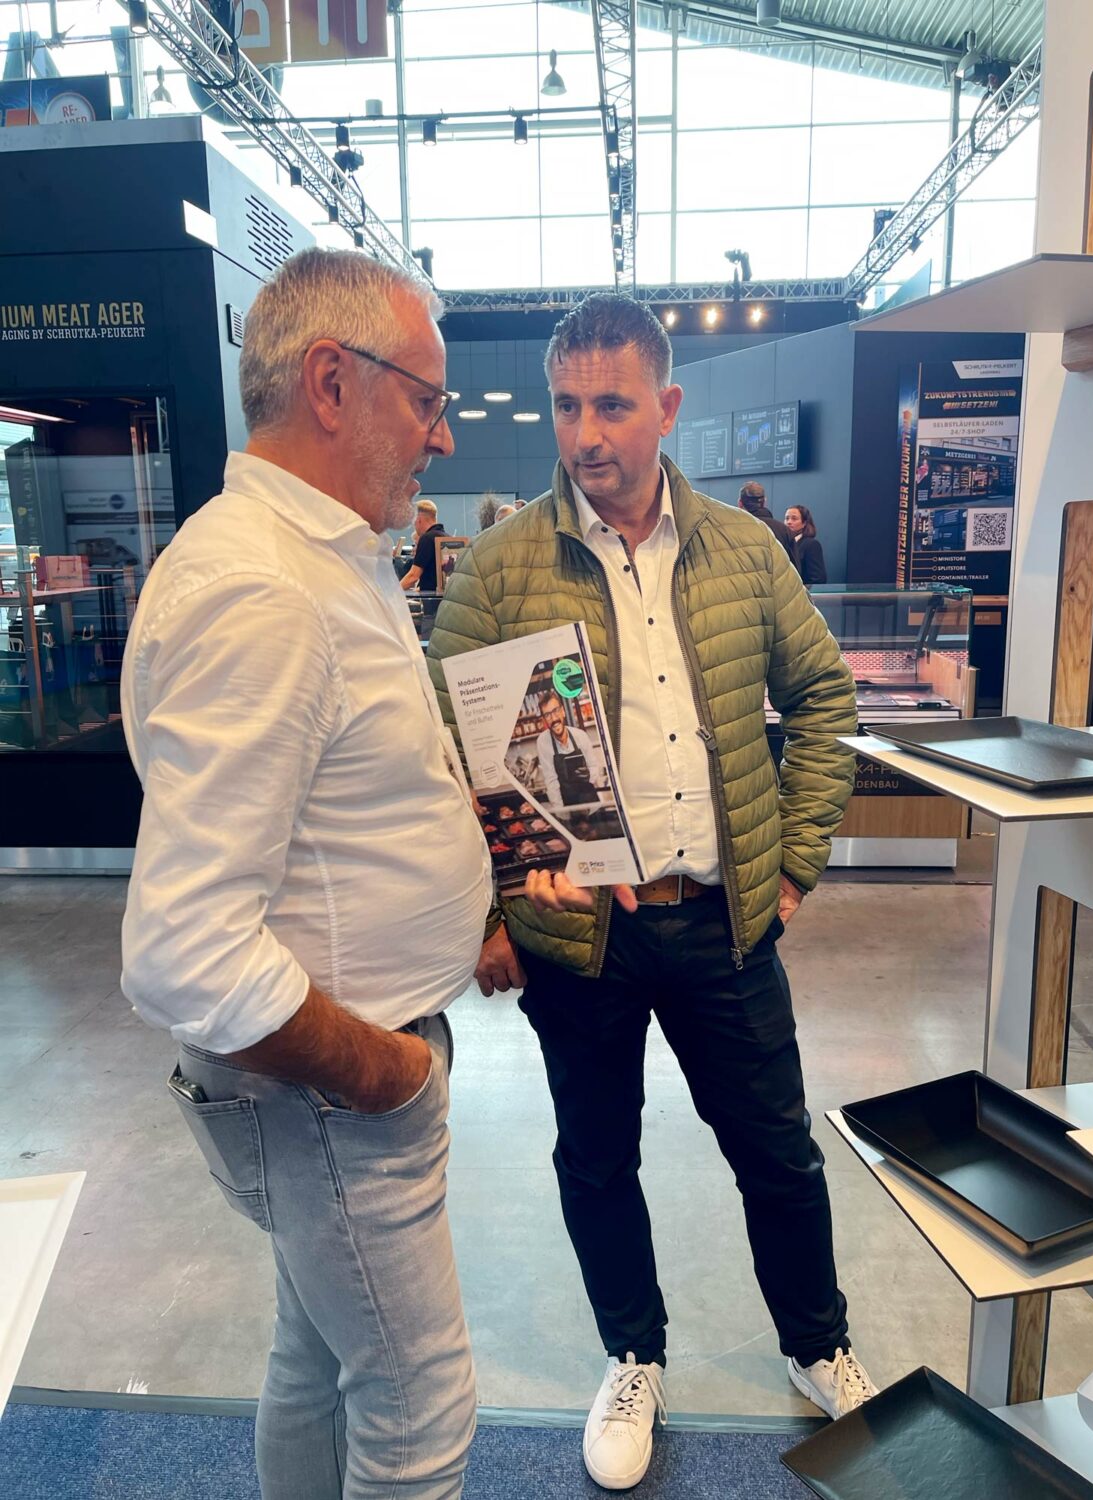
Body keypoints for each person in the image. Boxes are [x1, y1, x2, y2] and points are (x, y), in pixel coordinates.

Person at [428, 293, 876, 1492]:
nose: (587, 434)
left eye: (613, 405)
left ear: (667, 407)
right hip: (581, 938)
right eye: (567, 406)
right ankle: (633, 1356)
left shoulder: (743, 550)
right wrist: (493, 910)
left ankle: (820, 1345)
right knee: (596, 1157)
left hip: (725, 921)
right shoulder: (503, 566)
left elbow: (825, 699)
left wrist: (795, 865)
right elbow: (442, 749)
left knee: (778, 1153)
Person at [120, 247, 491, 1500]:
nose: (442, 435)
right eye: (427, 400)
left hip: (332, 1086)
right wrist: (387, 1075)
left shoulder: (320, 554)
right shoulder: (263, 589)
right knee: (419, 1401)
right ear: (332, 383)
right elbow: (185, 949)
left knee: (317, 1353)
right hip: (332, 1090)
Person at [534, 689, 602, 808]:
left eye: (556, 711)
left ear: (563, 711)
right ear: (544, 720)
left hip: (591, 803)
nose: (553, 718)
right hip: (567, 805)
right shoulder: (543, 742)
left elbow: (594, 766)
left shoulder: (581, 736)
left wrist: (589, 775)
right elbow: (551, 781)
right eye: (547, 715)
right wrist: (563, 814)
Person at [738, 480, 794, 561]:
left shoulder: (733, 529)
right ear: (764, 502)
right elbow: (794, 565)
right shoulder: (784, 530)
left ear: (740, 503)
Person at [400, 497, 446, 590]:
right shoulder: (446, 537)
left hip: (430, 597)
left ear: (419, 519)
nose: (414, 526)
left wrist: (391, 593)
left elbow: (413, 576)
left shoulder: (426, 538)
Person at [784, 504, 828, 585]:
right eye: (787, 518)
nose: (789, 522)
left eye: (794, 518)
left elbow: (818, 578)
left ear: (804, 523)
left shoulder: (811, 545)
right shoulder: (783, 544)